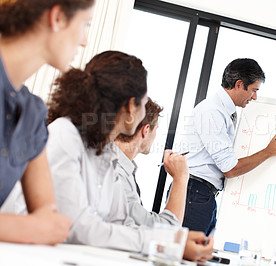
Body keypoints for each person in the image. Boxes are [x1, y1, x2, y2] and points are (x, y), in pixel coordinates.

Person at [46, 51, 213, 262]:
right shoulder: (65, 135)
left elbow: (122, 223)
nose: (145, 113)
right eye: (143, 104)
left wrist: (172, 240)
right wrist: (167, 243)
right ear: (130, 107)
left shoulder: (105, 153)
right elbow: (80, 228)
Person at [0, 0, 94, 244]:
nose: (84, 41)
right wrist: (27, 228)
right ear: (59, 17)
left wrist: (34, 226)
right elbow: (38, 226)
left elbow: (51, 223)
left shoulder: (32, 112)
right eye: (85, 25)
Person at [178, 58, 276, 235]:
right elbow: (229, 168)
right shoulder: (213, 111)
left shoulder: (223, 111)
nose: (255, 97)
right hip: (194, 193)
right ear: (239, 84)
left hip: (202, 195)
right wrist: (268, 152)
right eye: (253, 90)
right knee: (185, 257)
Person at [115, 97, 187, 227]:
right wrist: (180, 178)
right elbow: (163, 231)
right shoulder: (116, 173)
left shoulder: (123, 168)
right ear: (146, 130)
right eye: (156, 129)